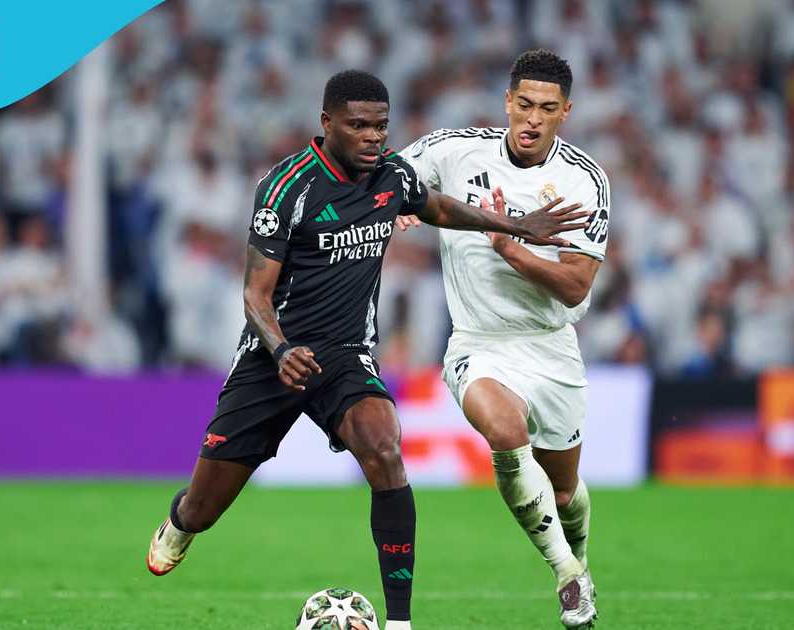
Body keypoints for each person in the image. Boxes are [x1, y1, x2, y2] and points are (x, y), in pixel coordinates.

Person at [145, 69, 588, 630]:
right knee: (204, 508)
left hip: (346, 355)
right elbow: (255, 297)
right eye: (359, 126)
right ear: (327, 124)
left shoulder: (392, 176)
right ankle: (180, 522)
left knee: (385, 449)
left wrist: (512, 224)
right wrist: (281, 350)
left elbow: (440, 208)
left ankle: (399, 622)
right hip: (271, 358)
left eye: (381, 126)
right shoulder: (287, 189)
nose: (374, 137)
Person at [398, 49, 609, 628]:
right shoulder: (454, 149)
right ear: (507, 103)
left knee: (564, 493)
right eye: (523, 105)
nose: (531, 118)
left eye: (546, 108)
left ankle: (580, 562)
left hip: (550, 345)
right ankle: (567, 575)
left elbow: (575, 287)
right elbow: (387, 178)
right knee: (504, 430)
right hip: (477, 342)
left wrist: (510, 248)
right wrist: (400, 204)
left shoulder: (584, 180)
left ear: (565, 112)